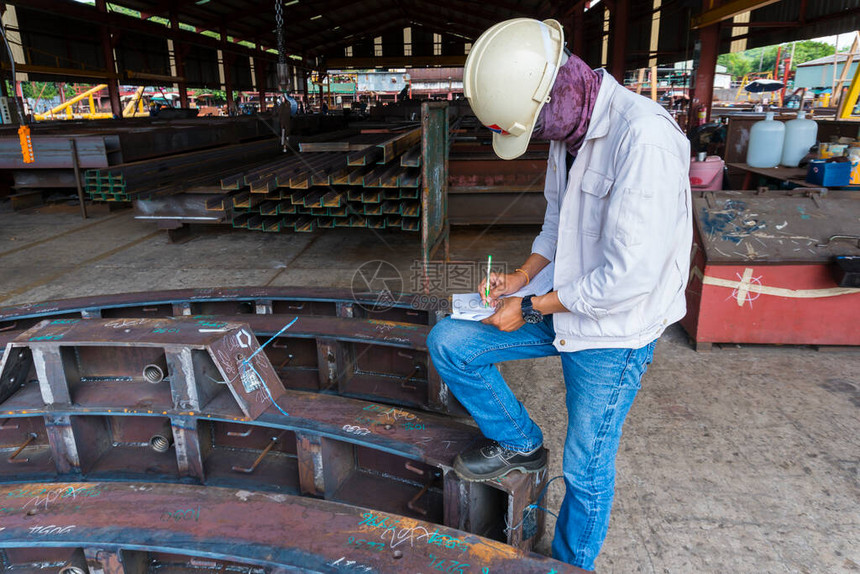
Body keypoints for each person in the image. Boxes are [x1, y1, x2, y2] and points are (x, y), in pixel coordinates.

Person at [427, 18, 692, 571]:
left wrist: (528, 306)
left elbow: (628, 278)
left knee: (586, 469)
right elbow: (556, 223)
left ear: (557, 90)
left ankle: (571, 563)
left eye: (535, 127)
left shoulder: (644, 138)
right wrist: (521, 278)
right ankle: (520, 441)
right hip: (560, 302)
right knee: (452, 342)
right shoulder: (569, 132)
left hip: (613, 330)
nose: (540, 139)